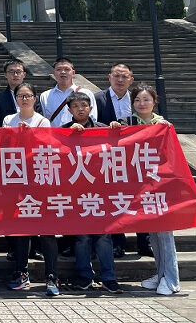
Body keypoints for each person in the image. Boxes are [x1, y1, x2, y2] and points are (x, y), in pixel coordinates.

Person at [3, 82, 61, 297]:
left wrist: (31, 135)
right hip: (17, 179)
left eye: (28, 95)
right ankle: (21, 273)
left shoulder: (42, 121)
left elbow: (47, 147)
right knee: (21, 230)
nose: (24, 99)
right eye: (20, 96)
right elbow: (5, 146)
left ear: (35, 99)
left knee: (46, 231)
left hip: (39, 179)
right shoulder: (8, 120)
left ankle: (52, 276)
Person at [63, 92, 123, 294]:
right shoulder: (63, 131)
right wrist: (69, 134)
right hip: (77, 192)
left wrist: (115, 129)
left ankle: (109, 278)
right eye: (75, 106)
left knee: (104, 236)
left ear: (90, 108)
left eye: (84, 105)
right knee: (82, 237)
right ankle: (84, 276)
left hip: (101, 191)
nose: (80, 109)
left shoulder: (102, 129)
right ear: (69, 110)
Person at [94, 63, 147, 257]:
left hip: (134, 156)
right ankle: (117, 242)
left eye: (124, 76)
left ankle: (144, 242)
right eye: (116, 75)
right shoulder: (98, 98)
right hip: (107, 157)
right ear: (109, 77)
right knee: (114, 200)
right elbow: (92, 124)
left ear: (131, 80)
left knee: (140, 198)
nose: (120, 80)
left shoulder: (137, 99)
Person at [132, 84, 181, 296]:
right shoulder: (128, 123)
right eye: (137, 100)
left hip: (162, 184)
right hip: (141, 186)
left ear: (154, 101)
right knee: (154, 233)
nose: (142, 104)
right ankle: (161, 273)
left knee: (165, 233)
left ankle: (172, 280)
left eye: (146, 99)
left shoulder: (164, 126)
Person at [39, 57, 96, 128]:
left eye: (67, 69)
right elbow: (44, 121)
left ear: (73, 73)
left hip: (80, 133)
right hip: (55, 134)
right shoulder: (45, 96)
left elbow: (93, 119)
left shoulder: (86, 93)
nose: (63, 72)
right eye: (59, 69)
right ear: (53, 73)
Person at [0, 59, 41, 127]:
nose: (15, 75)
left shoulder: (33, 98)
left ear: (24, 74)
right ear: (5, 74)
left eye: (18, 71)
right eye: (11, 72)